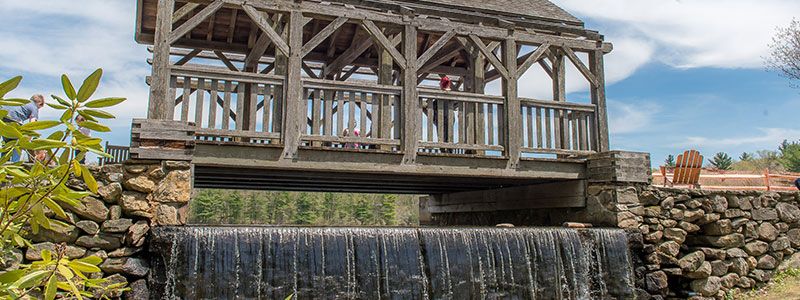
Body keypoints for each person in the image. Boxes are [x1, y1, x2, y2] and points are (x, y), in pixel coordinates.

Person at [2, 94, 45, 162]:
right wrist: (28, 138)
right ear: (40, 103)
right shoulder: (34, 107)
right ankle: (15, 163)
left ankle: (3, 162)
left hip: (2, 117)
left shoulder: (23, 102)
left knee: (7, 143)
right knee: (19, 143)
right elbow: (32, 124)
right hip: (14, 119)